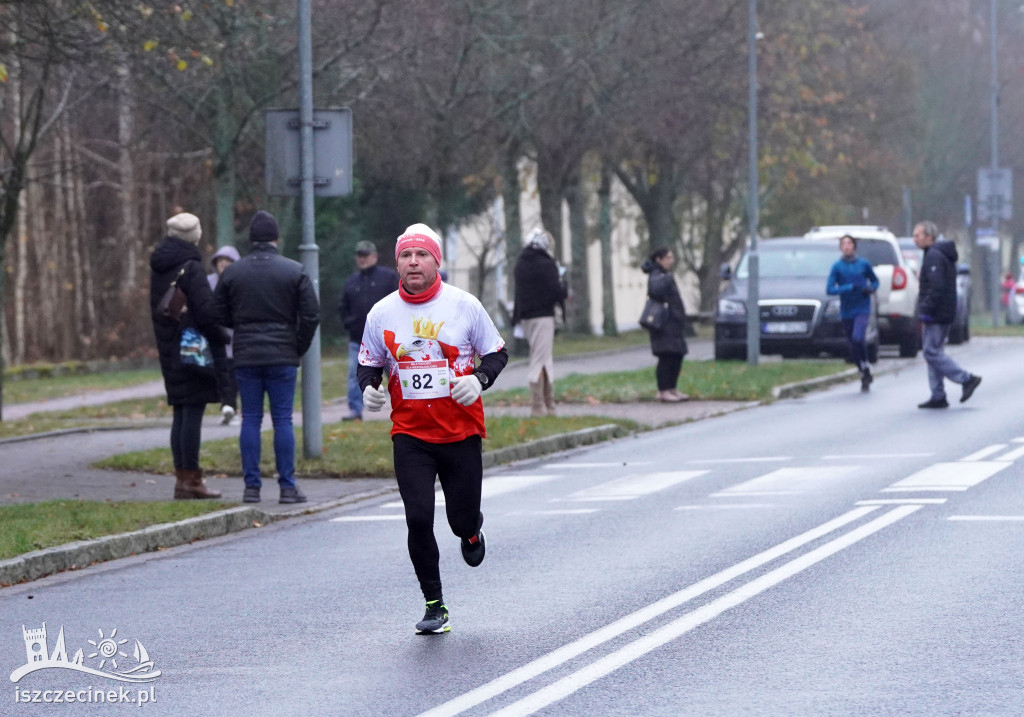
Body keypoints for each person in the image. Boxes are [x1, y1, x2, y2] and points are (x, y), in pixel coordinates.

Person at [358, 223, 508, 635]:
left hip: (460, 431)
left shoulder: (464, 306)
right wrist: (369, 388)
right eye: (406, 255)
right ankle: (434, 604)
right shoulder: (382, 312)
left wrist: (478, 380)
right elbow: (369, 361)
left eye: (421, 255)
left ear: (435, 261)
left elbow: (497, 353)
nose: (413, 262)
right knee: (418, 518)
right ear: (398, 264)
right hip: (410, 434)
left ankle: (472, 532)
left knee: (460, 520)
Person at [213, 210, 321, 503]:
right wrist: (296, 345)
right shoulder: (294, 270)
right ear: (276, 238)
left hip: (246, 354)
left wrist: (241, 330)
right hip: (283, 354)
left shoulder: (233, 272)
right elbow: (311, 315)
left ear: (251, 239)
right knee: (283, 419)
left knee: (250, 419)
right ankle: (287, 486)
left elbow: (217, 312)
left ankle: (251, 487)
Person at [149, 212, 229, 500]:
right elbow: (206, 311)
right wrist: (222, 335)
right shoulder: (191, 267)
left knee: (180, 413)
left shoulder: (159, 266)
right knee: (192, 413)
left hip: (168, 346)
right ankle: (192, 481)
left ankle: (182, 479)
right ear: (194, 235)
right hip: (192, 349)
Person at [913, 221, 982, 409]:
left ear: (929, 236)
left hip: (937, 313)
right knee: (934, 351)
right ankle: (938, 395)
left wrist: (926, 308)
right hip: (942, 311)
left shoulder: (934, 256)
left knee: (931, 351)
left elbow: (936, 287)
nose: (915, 239)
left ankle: (966, 379)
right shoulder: (935, 254)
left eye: (918, 235)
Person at [337, 240, 399, 421]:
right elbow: (343, 306)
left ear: (375, 256)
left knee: (395, 374)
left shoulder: (388, 277)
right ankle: (355, 411)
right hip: (359, 339)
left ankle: (404, 407)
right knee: (354, 375)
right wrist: (349, 323)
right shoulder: (351, 281)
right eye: (359, 255)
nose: (362, 259)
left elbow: (398, 302)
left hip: (387, 340)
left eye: (365, 255)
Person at [512, 227, 567, 416]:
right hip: (544, 316)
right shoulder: (546, 263)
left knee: (543, 357)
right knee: (540, 359)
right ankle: (538, 406)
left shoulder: (520, 264)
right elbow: (556, 291)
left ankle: (548, 406)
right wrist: (562, 283)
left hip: (526, 318)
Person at [826, 234, 879, 392]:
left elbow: (875, 280)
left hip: (862, 307)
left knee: (858, 337)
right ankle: (863, 370)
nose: (847, 246)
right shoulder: (837, 267)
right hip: (847, 310)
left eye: (849, 243)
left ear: (854, 246)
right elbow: (829, 289)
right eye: (844, 244)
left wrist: (871, 288)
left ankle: (865, 365)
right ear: (841, 248)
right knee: (852, 344)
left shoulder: (864, 264)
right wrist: (848, 287)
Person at [640, 246, 688, 402]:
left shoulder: (664, 275)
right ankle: (663, 390)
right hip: (663, 323)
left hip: (672, 322)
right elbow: (656, 290)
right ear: (658, 259)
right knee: (666, 357)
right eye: (668, 258)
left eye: (671, 257)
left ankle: (672, 388)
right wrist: (668, 278)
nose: (671, 261)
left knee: (676, 355)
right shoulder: (656, 275)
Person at [207, 245, 241, 425]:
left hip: (235, 337)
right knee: (219, 373)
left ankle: (230, 407)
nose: (223, 264)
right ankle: (226, 405)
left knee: (233, 373)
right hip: (214, 336)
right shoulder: (208, 282)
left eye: (228, 261)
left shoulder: (241, 281)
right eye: (220, 261)